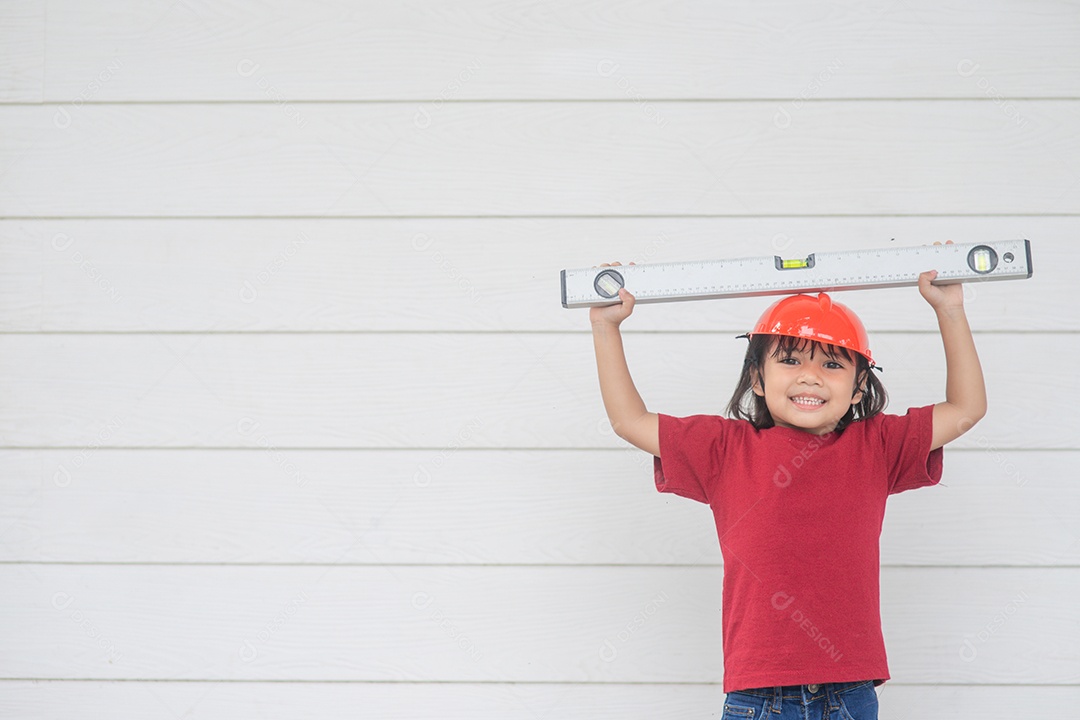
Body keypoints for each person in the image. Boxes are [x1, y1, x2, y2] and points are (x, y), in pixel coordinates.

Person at [588, 248, 986, 720]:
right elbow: (629, 421)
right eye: (791, 360)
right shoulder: (724, 449)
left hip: (851, 692)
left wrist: (950, 310)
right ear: (757, 377)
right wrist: (606, 327)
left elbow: (965, 410)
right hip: (760, 697)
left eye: (833, 365)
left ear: (859, 389)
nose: (811, 377)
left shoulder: (877, 445)